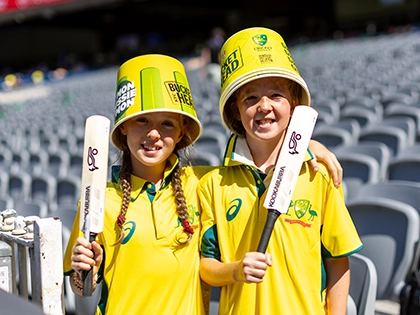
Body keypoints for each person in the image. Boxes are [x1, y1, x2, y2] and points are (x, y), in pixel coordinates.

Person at [63, 53, 345, 314]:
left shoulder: (205, 183)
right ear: (122, 127)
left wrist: (304, 147)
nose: (153, 134)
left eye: (167, 124)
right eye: (141, 121)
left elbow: (260, 162)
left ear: (182, 130)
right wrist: (82, 271)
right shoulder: (99, 199)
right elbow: (82, 291)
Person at [198, 27, 363, 315]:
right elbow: (206, 267)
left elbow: (337, 260)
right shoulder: (213, 184)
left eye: (276, 95)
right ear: (235, 110)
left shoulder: (318, 174)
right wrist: (236, 270)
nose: (264, 106)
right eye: (250, 99)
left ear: (294, 105)